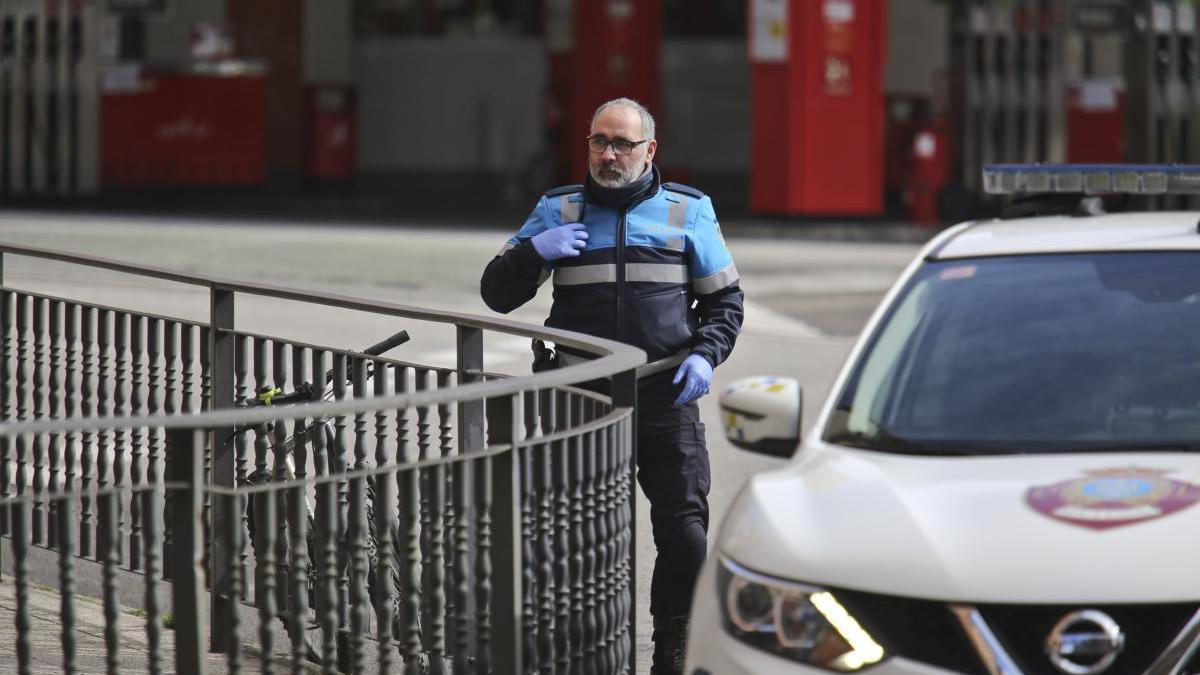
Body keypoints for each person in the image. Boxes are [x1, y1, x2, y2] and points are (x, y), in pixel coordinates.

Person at [480, 97, 743, 674]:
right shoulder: (557, 209)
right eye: (599, 141)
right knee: (582, 532)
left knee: (687, 533)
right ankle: (585, 646)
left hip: (663, 392)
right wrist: (531, 252)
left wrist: (704, 355)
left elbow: (724, 302)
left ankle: (672, 642)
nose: (609, 154)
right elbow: (496, 294)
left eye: (623, 144)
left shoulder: (687, 211)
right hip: (581, 395)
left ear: (650, 151)